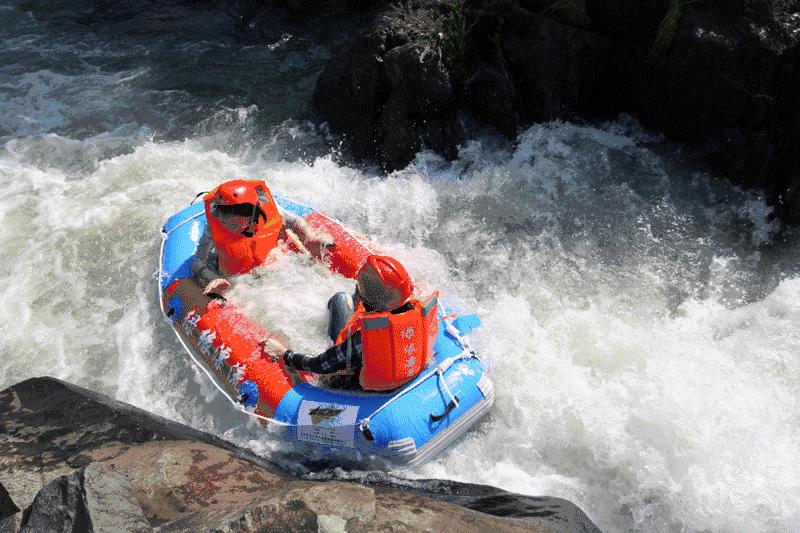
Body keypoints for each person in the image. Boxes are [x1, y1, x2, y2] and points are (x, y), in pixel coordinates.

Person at [261, 255, 440, 391]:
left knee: (340, 299)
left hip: (358, 382)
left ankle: (348, 299)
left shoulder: (363, 339)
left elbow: (319, 365)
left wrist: (285, 353)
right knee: (348, 300)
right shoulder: (418, 312)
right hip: (402, 372)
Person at [192, 179, 327, 296]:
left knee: (294, 241)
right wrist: (213, 278)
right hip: (240, 280)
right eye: (224, 215)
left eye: (237, 220)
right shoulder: (213, 227)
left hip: (277, 264)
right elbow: (198, 262)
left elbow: (295, 221)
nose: (227, 223)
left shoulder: (269, 210)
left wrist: (310, 235)